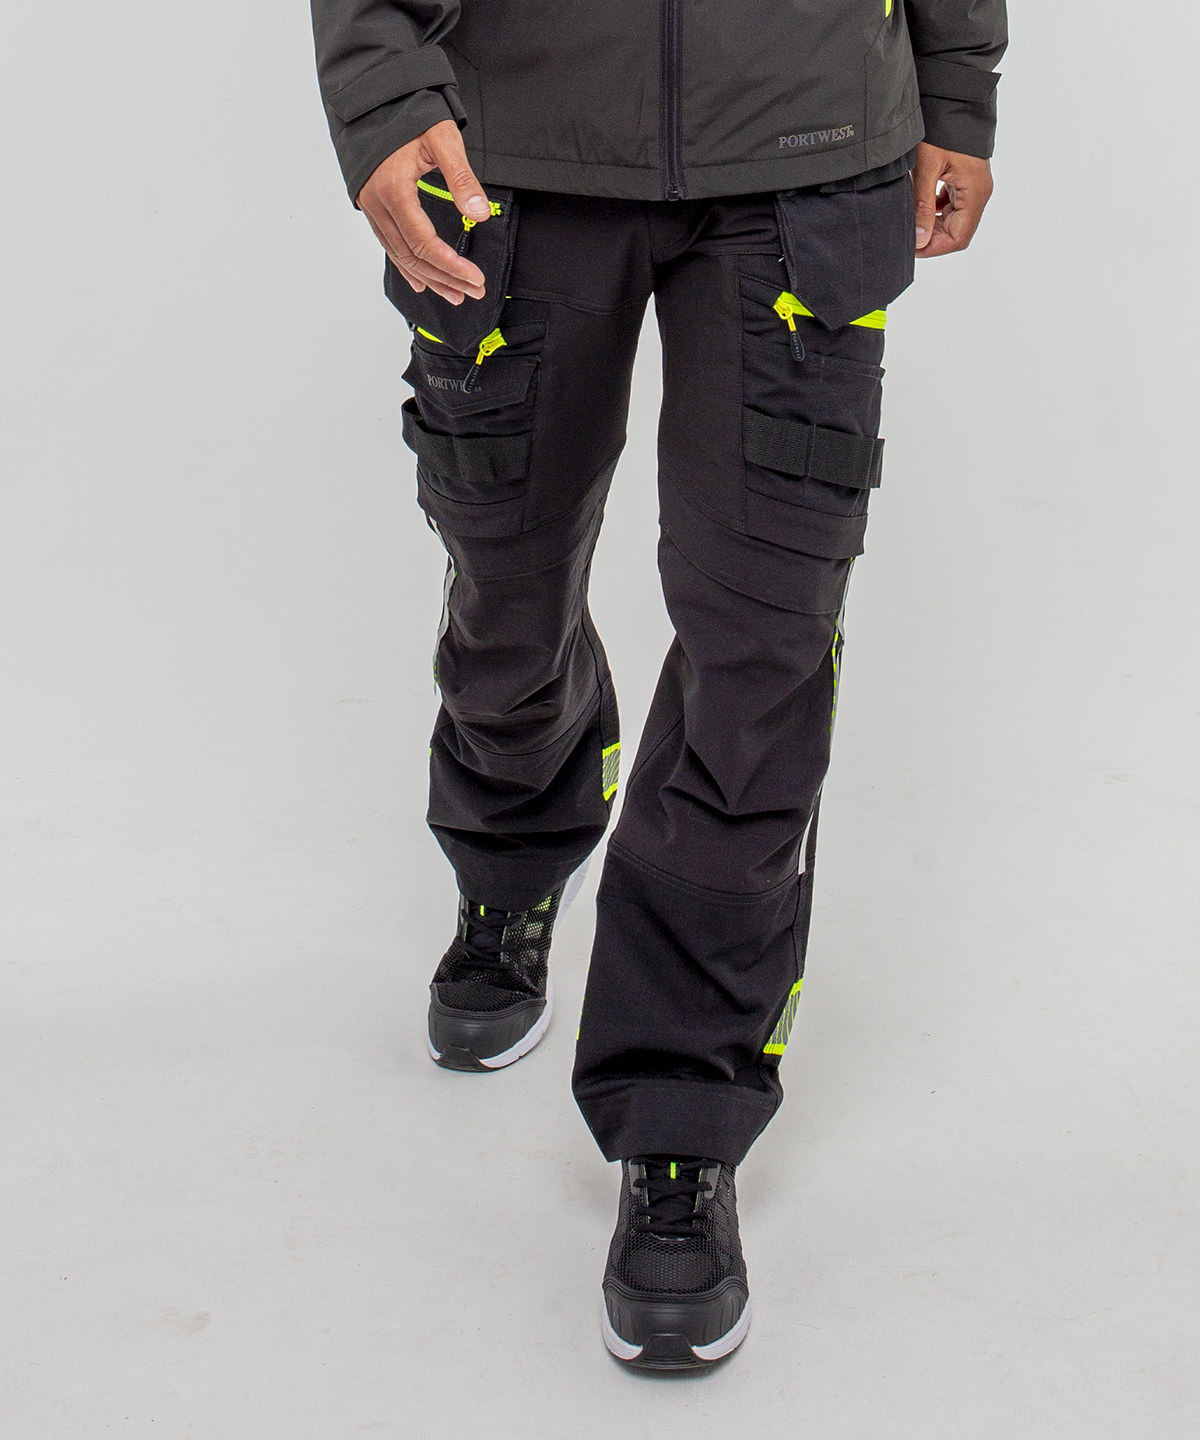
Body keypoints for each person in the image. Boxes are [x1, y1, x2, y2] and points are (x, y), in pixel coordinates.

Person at [310, 0, 1007, 1371]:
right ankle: (516, 847)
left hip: (807, 146)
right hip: (511, 152)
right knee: (507, 594)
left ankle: (680, 1115)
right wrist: (383, 95)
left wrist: (957, 83)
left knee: (763, 648)